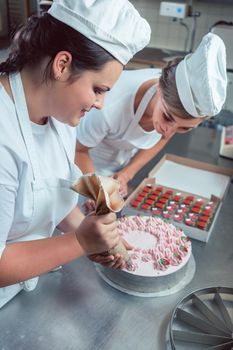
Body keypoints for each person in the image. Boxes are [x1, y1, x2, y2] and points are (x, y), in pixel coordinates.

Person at [0, 0, 151, 308]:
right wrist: (79, 242)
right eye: (98, 89)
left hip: (26, 289)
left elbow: (49, 196)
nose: (100, 104)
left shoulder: (59, 114)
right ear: (62, 64)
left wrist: (90, 234)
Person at [76, 33, 227, 202]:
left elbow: (162, 138)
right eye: (168, 117)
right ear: (159, 88)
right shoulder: (109, 105)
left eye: (184, 128)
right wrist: (95, 188)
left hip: (115, 168)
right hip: (82, 167)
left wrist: (127, 174)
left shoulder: (170, 119)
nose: (169, 132)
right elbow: (78, 149)